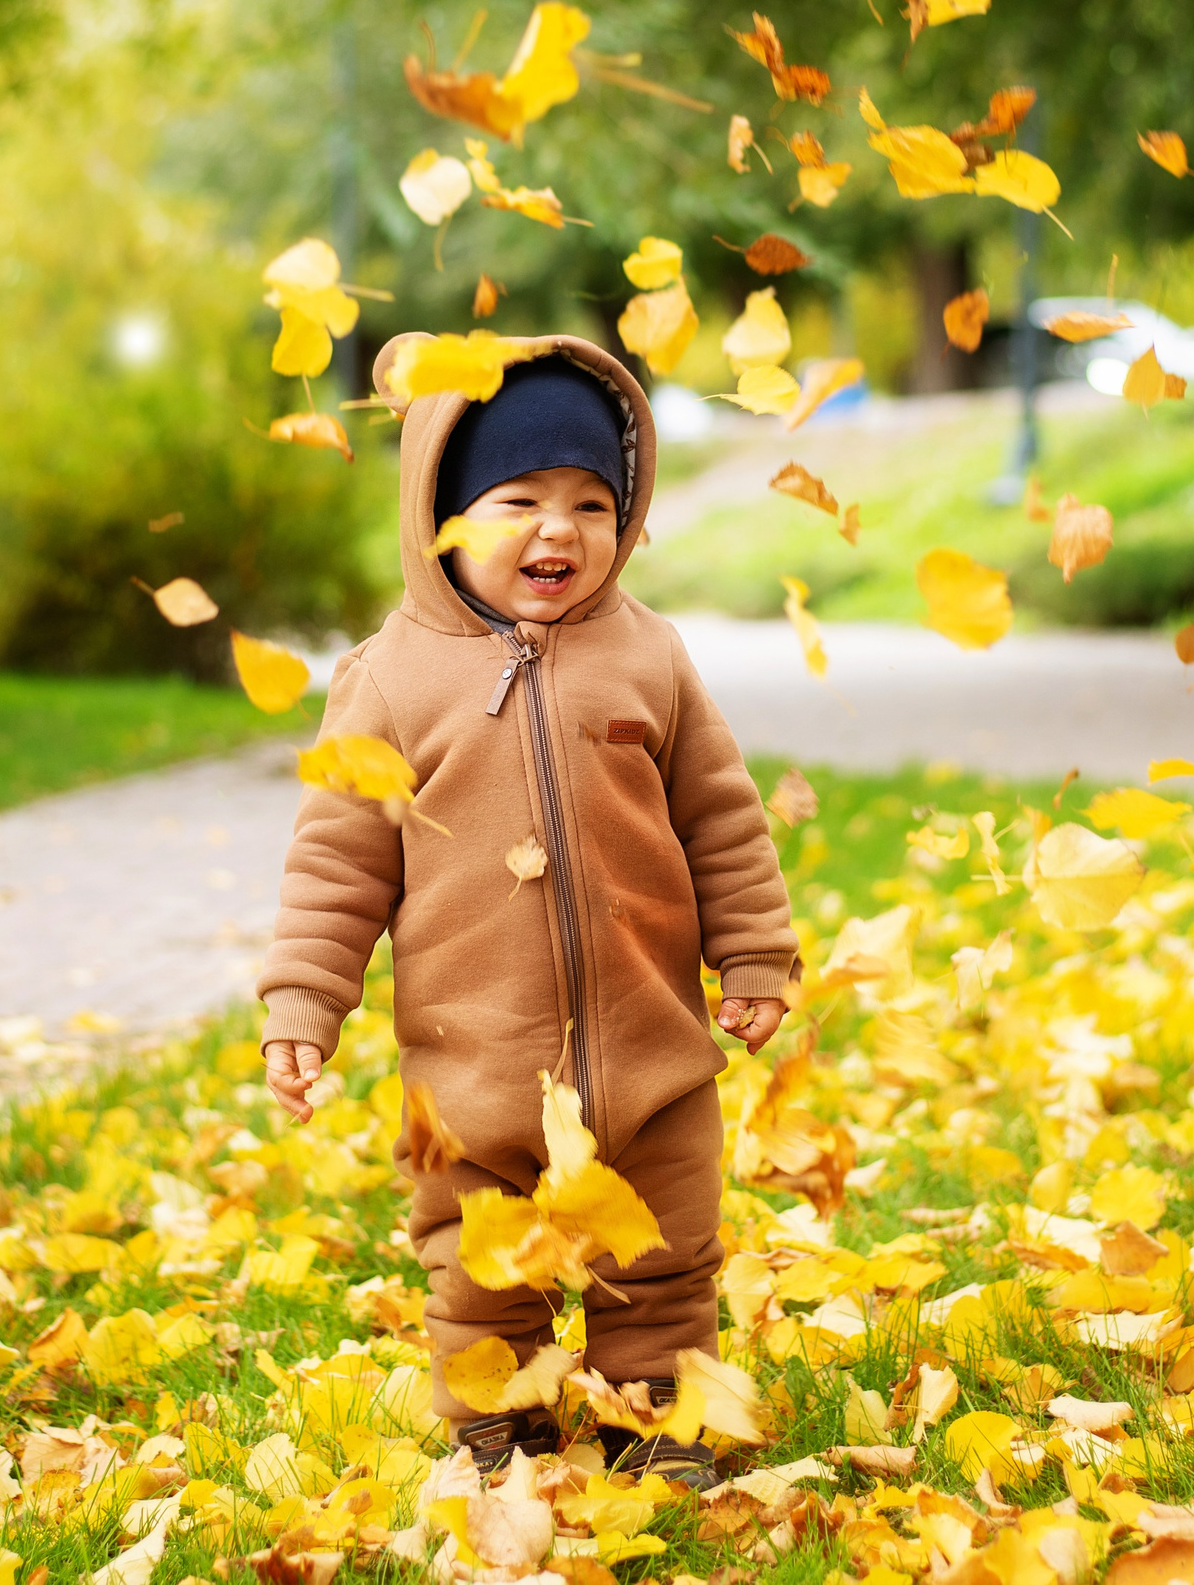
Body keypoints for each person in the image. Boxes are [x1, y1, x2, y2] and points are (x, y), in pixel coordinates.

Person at [255, 334, 797, 1490]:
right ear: (443, 515)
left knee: (663, 1255)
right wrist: (303, 1001)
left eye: (591, 503)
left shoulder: (648, 656)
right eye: (519, 501)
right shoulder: (387, 681)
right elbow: (336, 864)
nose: (560, 531)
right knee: (478, 1261)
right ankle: (500, 1414)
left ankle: (658, 1410)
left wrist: (754, 952)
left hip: (651, 1050)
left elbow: (721, 817)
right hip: (472, 1067)